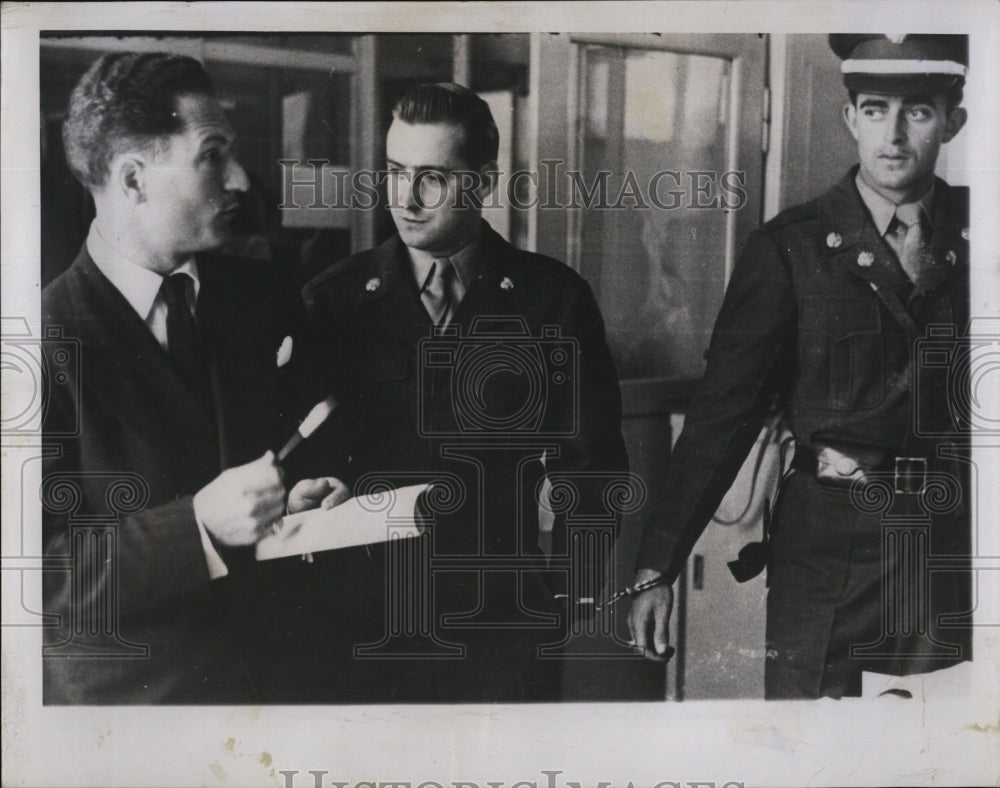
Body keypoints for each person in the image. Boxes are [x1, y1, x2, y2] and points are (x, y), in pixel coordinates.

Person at [627, 34, 973, 699]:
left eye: (919, 111)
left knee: (940, 751)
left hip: (947, 552)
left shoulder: (978, 237)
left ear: (954, 120)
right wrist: (656, 567)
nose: (894, 134)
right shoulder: (791, 250)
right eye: (875, 109)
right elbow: (720, 419)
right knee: (815, 752)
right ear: (850, 118)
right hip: (829, 558)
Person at [301, 82, 629, 702]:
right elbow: (309, 453)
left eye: (433, 178)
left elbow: (593, 465)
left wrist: (563, 599)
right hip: (363, 617)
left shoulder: (551, 299)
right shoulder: (335, 300)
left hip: (500, 620)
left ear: (481, 182)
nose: (406, 198)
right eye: (395, 172)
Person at [41, 51, 344, 704]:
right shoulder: (37, 339)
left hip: (281, 687)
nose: (238, 179)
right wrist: (199, 526)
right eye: (212, 155)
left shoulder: (260, 297)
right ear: (132, 180)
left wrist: (289, 504)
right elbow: (36, 570)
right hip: (138, 710)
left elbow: (278, 450)